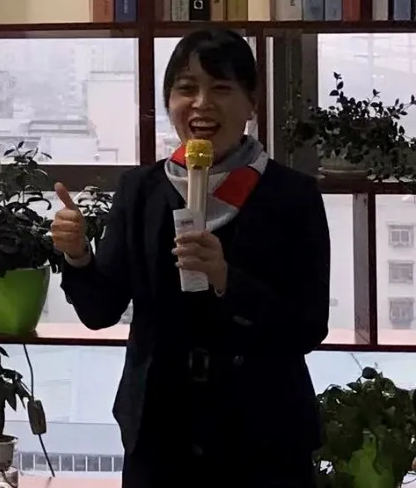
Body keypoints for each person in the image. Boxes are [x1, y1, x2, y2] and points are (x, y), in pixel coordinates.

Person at [50, 28, 330, 488]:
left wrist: (226, 279)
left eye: (221, 88)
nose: (201, 103)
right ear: (169, 101)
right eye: (186, 88)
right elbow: (101, 312)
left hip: (264, 438)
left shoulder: (292, 196)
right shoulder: (140, 191)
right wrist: (78, 255)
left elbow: (308, 326)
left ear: (251, 103)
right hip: (160, 436)